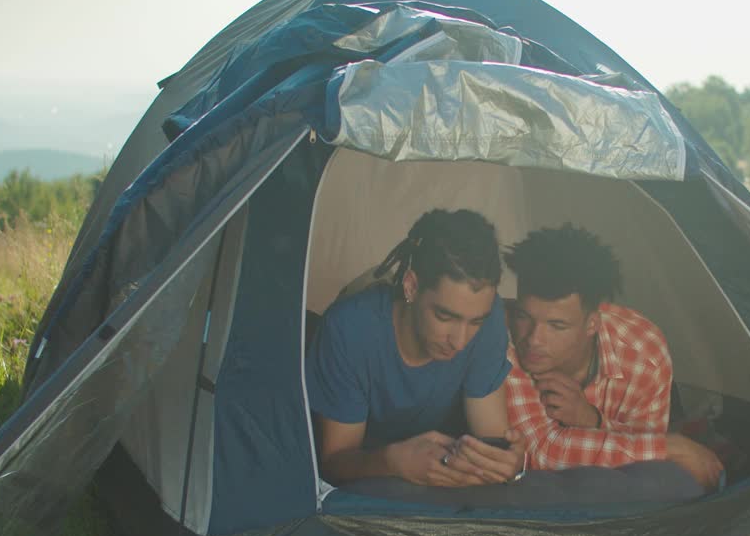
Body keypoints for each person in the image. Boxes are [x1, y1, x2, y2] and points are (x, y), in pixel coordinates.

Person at [306, 208, 527, 488]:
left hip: (440, 491)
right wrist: (392, 462)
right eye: (445, 317)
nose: (460, 341)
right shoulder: (349, 328)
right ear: (411, 286)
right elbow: (333, 463)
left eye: (475, 322)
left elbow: (490, 437)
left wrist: (505, 462)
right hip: (362, 490)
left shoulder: (490, 318)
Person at [504, 224, 725, 491]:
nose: (533, 339)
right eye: (523, 317)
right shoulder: (504, 342)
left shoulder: (643, 349)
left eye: (557, 326)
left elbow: (646, 455)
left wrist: (593, 421)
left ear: (592, 324)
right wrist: (670, 448)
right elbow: (540, 453)